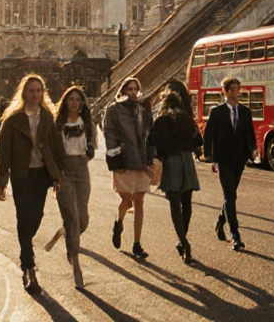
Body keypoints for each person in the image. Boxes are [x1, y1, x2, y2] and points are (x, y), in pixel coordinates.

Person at [0, 74, 65, 295]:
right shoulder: (13, 120)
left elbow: (55, 147)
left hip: (41, 174)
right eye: (31, 90)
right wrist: (1, 181)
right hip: (21, 175)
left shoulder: (46, 117)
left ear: (42, 93)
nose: (35, 94)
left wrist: (58, 175)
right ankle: (28, 265)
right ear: (24, 93)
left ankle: (27, 250)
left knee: (36, 217)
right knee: (24, 218)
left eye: (38, 90)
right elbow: (3, 152)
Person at [44, 85, 95, 290]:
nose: (74, 102)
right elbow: (51, 149)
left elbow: (91, 144)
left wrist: (88, 155)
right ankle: (75, 263)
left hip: (82, 170)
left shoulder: (87, 123)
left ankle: (63, 232)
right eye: (71, 99)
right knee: (72, 217)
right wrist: (56, 174)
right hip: (64, 171)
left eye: (77, 100)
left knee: (82, 219)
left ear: (82, 104)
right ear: (65, 101)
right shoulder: (58, 124)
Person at [147, 80, 203, 263]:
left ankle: (183, 240)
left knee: (174, 203)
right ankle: (182, 239)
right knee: (187, 202)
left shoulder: (161, 120)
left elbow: (153, 143)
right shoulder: (187, 119)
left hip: (171, 162)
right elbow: (198, 142)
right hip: (186, 160)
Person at [203, 77, 257, 251]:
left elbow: (250, 133)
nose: (235, 93)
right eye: (232, 90)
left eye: (238, 90)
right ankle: (235, 236)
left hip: (239, 159)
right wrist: (209, 156)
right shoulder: (217, 112)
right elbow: (209, 135)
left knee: (231, 195)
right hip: (223, 159)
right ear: (225, 92)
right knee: (230, 196)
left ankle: (221, 220)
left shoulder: (245, 112)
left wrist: (253, 150)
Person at [103, 76, 154, 259]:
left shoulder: (143, 109)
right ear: (123, 91)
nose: (133, 92)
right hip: (123, 161)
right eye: (129, 89)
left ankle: (137, 244)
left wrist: (151, 158)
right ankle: (119, 223)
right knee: (127, 201)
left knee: (139, 202)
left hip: (141, 161)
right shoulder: (114, 110)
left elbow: (151, 135)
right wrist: (115, 155)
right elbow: (109, 133)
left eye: (135, 89)